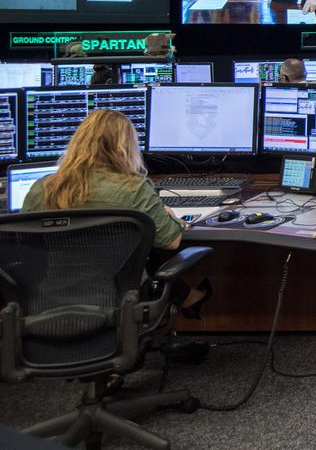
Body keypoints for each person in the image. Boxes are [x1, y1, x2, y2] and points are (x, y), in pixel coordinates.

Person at [19, 109, 211, 318]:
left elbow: (21, 244)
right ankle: (190, 300)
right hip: (115, 305)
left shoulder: (42, 188)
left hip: (43, 305)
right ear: (125, 146)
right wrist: (171, 216)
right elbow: (171, 241)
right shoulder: (133, 188)